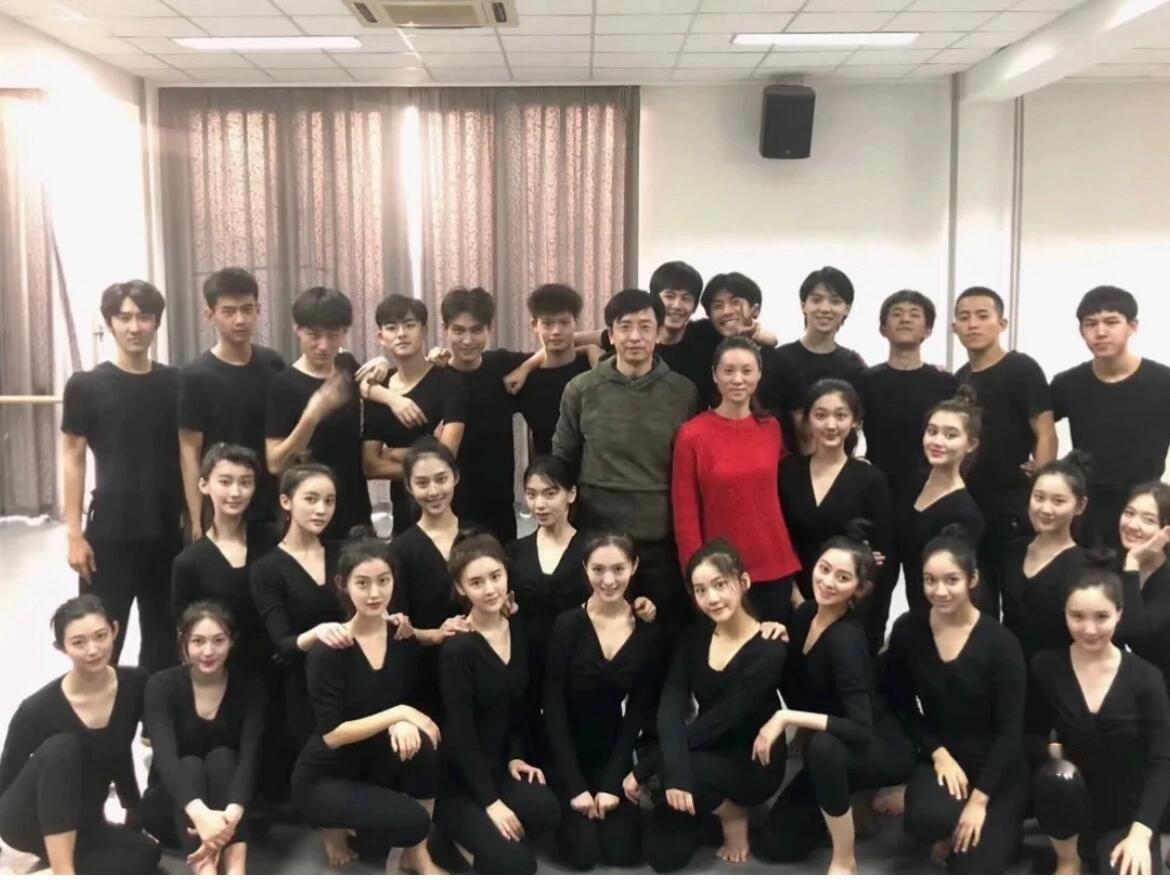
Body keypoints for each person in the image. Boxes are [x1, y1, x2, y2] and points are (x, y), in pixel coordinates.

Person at [752, 530, 914, 874]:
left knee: (824, 748)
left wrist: (786, 718)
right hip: (837, 740)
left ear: (859, 589)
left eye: (842, 578)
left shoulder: (846, 639)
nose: (827, 582)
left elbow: (860, 727)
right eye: (824, 569)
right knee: (773, 844)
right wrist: (775, 635)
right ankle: (850, 802)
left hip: (878, 744)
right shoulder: (805, 613)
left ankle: (844, 858)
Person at [628, 539, 787, 872]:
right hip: (705, 748)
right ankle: (703, 802)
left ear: (744, 582)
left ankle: (733, 814)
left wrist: (647, 768)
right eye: (700, 590)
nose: (712, 598)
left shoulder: (769, 647)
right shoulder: (694, 637)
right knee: (661, 856)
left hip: (752, 762)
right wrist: (667, 766)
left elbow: (721, 719)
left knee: (672, 766)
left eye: (720, 585)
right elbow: (671, 704)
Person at [553, 288, 701, 640]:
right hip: (598, 536)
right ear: (611, 333)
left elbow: (691, 468)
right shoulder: (581, 389)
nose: (635, 336)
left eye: (645, 327)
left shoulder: (684, 392)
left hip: (661, 540)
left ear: (659, 333)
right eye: (625, 326)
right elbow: (563, 461)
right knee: (599, 635)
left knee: (661, 636)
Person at [291, 530, 443, 873]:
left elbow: (404, 692)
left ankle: (418, 856)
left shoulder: (399, 634)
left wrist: (403, 718)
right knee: (412, 821)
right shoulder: (330, 648)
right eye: (363, 583)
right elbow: (332, 735)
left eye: (383, 581)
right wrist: (400, 714)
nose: (375, 593)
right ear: (343, 585)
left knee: (424, 747)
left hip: (371, 760)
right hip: (325, 774)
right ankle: (332, 827)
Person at [883, 526, 1028, 874]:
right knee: (924, 819)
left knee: (973, 869)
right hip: (945, 756)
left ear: (972, 579)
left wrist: (979, 801)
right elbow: (901, 703)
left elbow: (1010, 732)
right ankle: (948, 822)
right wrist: (937, 752)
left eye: (951, 580)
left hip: (997, 764)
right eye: (930, 580)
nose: (940, 591)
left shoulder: (1000, 643)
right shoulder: (909, 630)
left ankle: (998, 823)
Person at [62, 279, 181, 672]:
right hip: (110, 531)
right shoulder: (86, 385)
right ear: (110, 323)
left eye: (144, 317)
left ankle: (155, 712)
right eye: (124, 317)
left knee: (164, 640)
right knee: (100, 639)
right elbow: (73, 457)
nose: (134, 327)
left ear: (156, 323)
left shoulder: (174, 383)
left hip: (166, 530)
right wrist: (74, 534)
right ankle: (103, 712)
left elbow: (190, 454)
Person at [1027, 560, 1170, 875]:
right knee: (1055, 776)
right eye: (1077, 616)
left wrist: (1141, 834)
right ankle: (1068, 859)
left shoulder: (1147, 678)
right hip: (1071, 802)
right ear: (1064, 614)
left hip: (1128, 814)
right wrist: (1058, 756)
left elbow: (1163, 760)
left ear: (1119, 614)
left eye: (1101, 617)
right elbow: (1029, 733)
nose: (1089, 629)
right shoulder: (1046, 666)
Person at [0, 596, 160, 874]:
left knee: (147, 853)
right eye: (79, 642)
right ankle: (63, 871)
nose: (93, 650)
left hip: (84, 819)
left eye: (100, 636)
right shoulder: (36, 709)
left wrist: (133, 808)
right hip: (28, 821)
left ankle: (54, 867)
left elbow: (119, 747)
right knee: (63, 747)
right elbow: (7, 775)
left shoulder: (135, 683)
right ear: (61, 647)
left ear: (115, 630)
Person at [434, 532, 561, 874]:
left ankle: (484, 835)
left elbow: (518, 707)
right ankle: (447, 838)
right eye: (476, 582)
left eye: (495, 577)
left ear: (506, 574)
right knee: (520, 866)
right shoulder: (459, 647)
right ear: (460, 588)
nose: (490, 589)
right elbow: (461, 731)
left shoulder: (515, 626)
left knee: (547, 810)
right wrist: (491, 803)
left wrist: (517, 755)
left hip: (500, 764)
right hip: (462, 778)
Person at [544, 532, 665, 871]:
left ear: (634, 567)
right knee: (583, 855)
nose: (608, 580)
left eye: (618, 569)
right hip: (566, 753)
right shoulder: (567, 625)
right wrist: (575, 787)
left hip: (612, 751)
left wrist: (613, 783)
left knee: (622, 853)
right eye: (598, 569)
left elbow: (637, 712)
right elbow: (552, 706)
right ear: (585, 568)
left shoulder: (647, 631)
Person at [672, 336, 801, 624]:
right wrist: (696, 574)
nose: (738, 379)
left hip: (773, 565)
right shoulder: (692, 434)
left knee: (772, 647)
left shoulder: (770, 428)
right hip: (720, 573)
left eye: (747, 370)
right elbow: (685, 514)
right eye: (728, 371)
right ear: (715, 375)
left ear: (759, 375)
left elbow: (786, 492)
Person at [953, 285, 1057, 616]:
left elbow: (1046, 431)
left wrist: (1041, 490)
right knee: (977, 600)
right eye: (964, 317)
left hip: (1013, 505)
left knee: (1018, 601)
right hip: (971, 505)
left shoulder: (1022, 368)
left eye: (982, 316)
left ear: (1002, 323)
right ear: (954, 327)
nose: (973, 324)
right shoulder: (960, 378)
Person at [141, 602, 264, 875]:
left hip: (230, 809)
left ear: (232, 641)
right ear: (183, 641)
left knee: (223, 757)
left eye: (218, 641)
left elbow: (250, 756)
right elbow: (166, 760)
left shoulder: (250, 686)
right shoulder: (160, 685)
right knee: (189, 764)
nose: (208, 652)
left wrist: (232, 813)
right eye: (198, 641)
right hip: (173, 807)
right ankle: (205, 869)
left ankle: (236, 867)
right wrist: (201, 816)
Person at [1052, 286, 1170, 554]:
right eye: (1091, 324)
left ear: (1132, 326)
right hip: (1087, 509)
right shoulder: (1068, 384)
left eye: (1111, 322)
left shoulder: (1163, 383)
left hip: (1144, 511)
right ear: (1081, 331)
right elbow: (1035, 424)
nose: (1100, 332)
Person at [778, 379, 894, 630]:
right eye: (821, 415)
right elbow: (779, 540)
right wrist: (797, 601)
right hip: (792, 599)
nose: (831, 425)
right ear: (807, 419)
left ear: (855, 421)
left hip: (848, 607)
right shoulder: (788, 471)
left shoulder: (870, 479)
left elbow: (882, 555)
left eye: (841, 415)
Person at [178, 268, 286, 535]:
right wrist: (196, 519)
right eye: (228, 312)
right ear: (210, 315)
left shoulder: (273, 364)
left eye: (247, 309)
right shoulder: (194, 376)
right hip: (220, 505)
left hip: (268, 502)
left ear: (258, 309)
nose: (240, 320)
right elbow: (189, 452)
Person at [249, 461, 347, 748]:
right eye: (311, 499)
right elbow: (283, 644)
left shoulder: (343, 553)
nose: (321, 509)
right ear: (286, 501)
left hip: (352, 675)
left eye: (329, 501)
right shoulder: (266, 569)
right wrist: (319, 633)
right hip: (300, 685)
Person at [265, 286, 371, 539]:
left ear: (345, 332)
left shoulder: (346, 368)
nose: (324, 345)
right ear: (297, 329)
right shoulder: (283, 385)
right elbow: (274, 462)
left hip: (354, 506)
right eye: (313, 335)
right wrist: (312, 416)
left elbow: (372, 386)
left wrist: (381, 365)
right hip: (309, 512)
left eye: (333, 335)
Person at [360, 294, 465, 537]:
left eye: (409, 325)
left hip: (451, 505)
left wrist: (393, 454)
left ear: (424, 330)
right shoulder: (378, 389)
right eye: (391, 327)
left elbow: (446, 457)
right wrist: (428, 454)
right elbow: (370, 465)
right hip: (403, 510)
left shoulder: (449, 382)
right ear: (381, 337)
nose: (401, 334)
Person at [387, 438, 475, 724]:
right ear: (409, 487)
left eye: (441, 479)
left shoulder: (479, 538)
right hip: (427, 674)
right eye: (422, 483)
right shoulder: (400, 550)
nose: (434, 491)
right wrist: (436, 634)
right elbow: (397, 627)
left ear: (456, 477)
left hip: (480, 667)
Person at [507, 456, 590, 755]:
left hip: (578, 669)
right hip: (527, 668)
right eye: (531, 495)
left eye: (549, 493)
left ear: (571, 494)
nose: (539, 504)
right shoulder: (515, 552)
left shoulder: (591, 549)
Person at [171, 443, 278, 675]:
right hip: (221, 673)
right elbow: (186, 630)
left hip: (276, 666)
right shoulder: (189, 562)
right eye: (225, 482)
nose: (236, 492)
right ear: (204, 484)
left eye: (245, 482)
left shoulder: (274, 540)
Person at [437, 287, 531, 544]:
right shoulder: (435, 376)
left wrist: (526, 368)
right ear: (445, 329)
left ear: (489, 329)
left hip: (498, 505)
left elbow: (559, 346)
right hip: (447, 505)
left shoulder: (501, 364)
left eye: (476, 330)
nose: (467, 340)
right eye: (458, 330)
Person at [892, 391, 986, 620]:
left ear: (971, 444)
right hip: (915, 606)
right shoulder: (915, 481)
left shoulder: (965, 512)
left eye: (950, 435)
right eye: (932, 431)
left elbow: (955, 583)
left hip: (944, 613)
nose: (937, 442)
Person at [857, 290, 957, 497]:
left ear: (928, 330)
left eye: (914, 314)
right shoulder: (865, 381)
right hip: (877, 485)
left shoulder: (946, 383)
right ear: (883, 329)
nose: (905, 319)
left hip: (932, 486)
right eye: (897, 314)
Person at [1001, 453, 1091, 661]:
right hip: (1009, 668)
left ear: (1080, 506)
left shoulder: (1084, 567)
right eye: (1039, 497)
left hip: (1056, 673)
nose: (1045, 509)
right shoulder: (1013, 550)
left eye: (1058, 501)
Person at [773, 267, 866, 454]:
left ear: (847, 309)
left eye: (835, 301)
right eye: (816, 300)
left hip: (838, 465)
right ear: (803, 305)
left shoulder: (853, 365)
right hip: (785, 465)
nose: (825, 309)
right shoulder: (779, 359)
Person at [512, 284, 597, 456]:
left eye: (564, 323)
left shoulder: (592, 364)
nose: (556, 331)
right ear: (534, 325)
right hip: (548, 469)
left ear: (575, 323)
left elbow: (611, 336)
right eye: (547, 324)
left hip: (593, 469)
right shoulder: (525, 377)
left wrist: (591, 348)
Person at [1117, 482, 1170, 691]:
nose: (1132, 525)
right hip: (1132, 687)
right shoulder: (1112, 566)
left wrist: (1132, 563)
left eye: (1148, 520)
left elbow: (1135, 632)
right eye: (1129, 513)